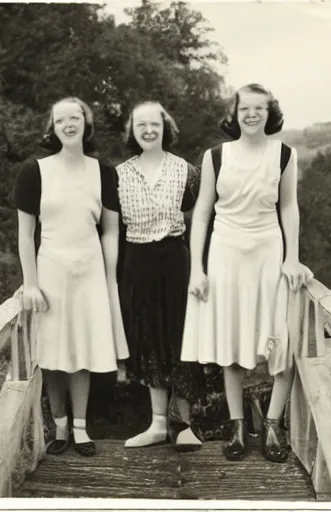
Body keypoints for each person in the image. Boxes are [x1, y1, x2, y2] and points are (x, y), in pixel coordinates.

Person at [181, 83, 313, 463]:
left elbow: (289, 208)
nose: (252, 114)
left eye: (260, 108)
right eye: (245, 109)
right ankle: (238, 427)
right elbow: (202, 212)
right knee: (233, 345)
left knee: (280, 341)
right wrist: (198, 269)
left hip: (269, 252)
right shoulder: (216, 156)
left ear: (270, 114)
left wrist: (292, 258)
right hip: (226, 254)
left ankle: (273, 425)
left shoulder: (285, 154)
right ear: (234, 114)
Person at [11, 97, 129, 457]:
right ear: (53, 127)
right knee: (54, 351)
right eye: (60, 120)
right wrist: (30, 283)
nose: (68, 124)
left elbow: (110, 230)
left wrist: (108, 276)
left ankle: (81, 428)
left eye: (74, 117)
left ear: (85, 123)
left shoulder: (104, 172)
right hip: (51, 269)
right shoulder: (35, 170)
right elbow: (24, 234)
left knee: (83, 350)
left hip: (90, 269)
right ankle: (59, 426)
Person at [104, 100, 217, 451]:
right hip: (136, 261)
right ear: (132, 132)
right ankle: (156, 424)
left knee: (182, 335)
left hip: (175, 258)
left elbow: (208, 216)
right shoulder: (118, 175)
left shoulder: (187, 171)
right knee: (147, 336)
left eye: (155, 124)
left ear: (165, 127)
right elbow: (104, 225)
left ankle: (183, 425)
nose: (149, 130)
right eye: (142, 125)